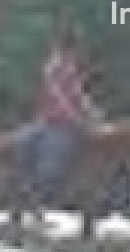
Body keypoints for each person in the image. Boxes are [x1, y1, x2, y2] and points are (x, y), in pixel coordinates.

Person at [31, 27, 102, 194]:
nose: (78, 52)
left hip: (74, 120)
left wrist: (91, 110)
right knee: (59, 146)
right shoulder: (54, 66)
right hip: (55, 120)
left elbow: (78, 93)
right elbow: (58, 94)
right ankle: (46, 183)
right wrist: (73, 114)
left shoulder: (71, 67)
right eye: (76, 47)